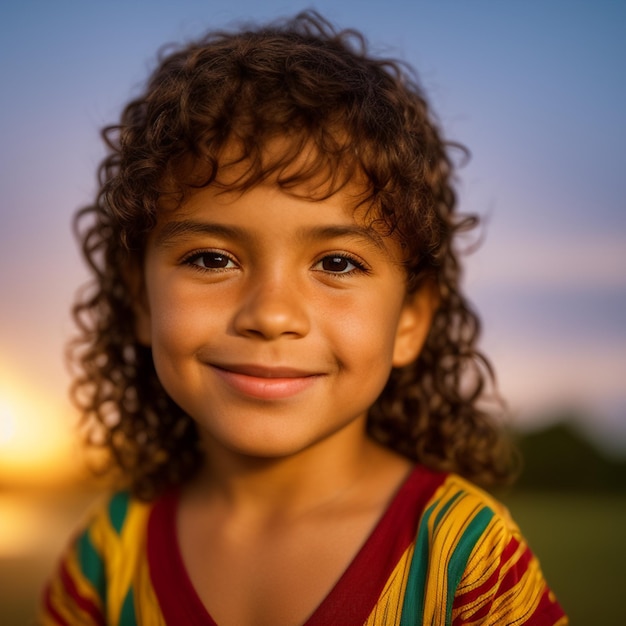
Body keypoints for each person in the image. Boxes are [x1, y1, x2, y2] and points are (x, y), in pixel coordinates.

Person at [39, 11, 567, 626]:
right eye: (212, 258)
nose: (272, 315)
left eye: (338, 263)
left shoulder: (464, 559)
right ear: (140, 303)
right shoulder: (107, 557)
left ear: (409, 323)